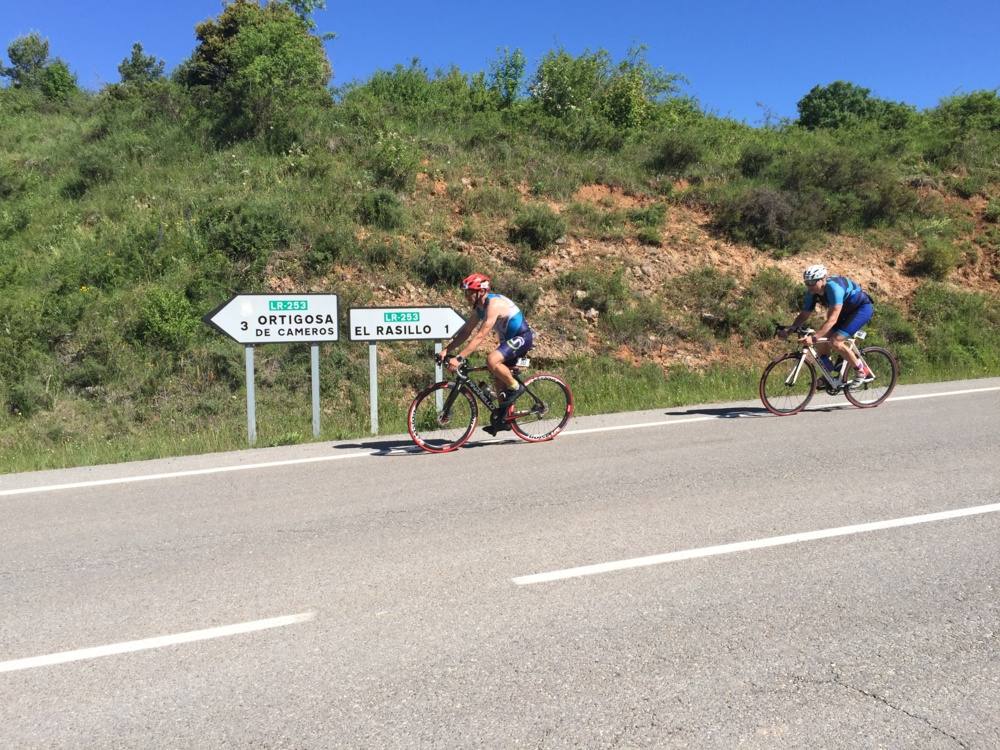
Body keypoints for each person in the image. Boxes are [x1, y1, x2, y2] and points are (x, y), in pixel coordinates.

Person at [438, 273, 534, 435]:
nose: (466, 297)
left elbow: (480, 335)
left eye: (469, 293)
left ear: (481, 292)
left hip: (522, 337)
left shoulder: (493, 304)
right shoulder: (479, 309)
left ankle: (516, 388)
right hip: (508, 342)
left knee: (491, 360)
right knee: (498, 381)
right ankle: (504, 420)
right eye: (466, 293)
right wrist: (448, 349)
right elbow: (466, 331)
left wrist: (460, 357)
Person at [779, 264, 875, 387]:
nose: (810, 286)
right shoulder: (811, 292)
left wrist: (813, 338)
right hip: (843, 311)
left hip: (860, 309)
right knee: (823, 340)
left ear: (823, 279)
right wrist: (789, 331)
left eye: (813, 282)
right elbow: (804, 315)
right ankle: (828, 373)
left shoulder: (834, 288)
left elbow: (832, 319)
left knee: (835, 341)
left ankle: (861, 371)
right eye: (807, 282)